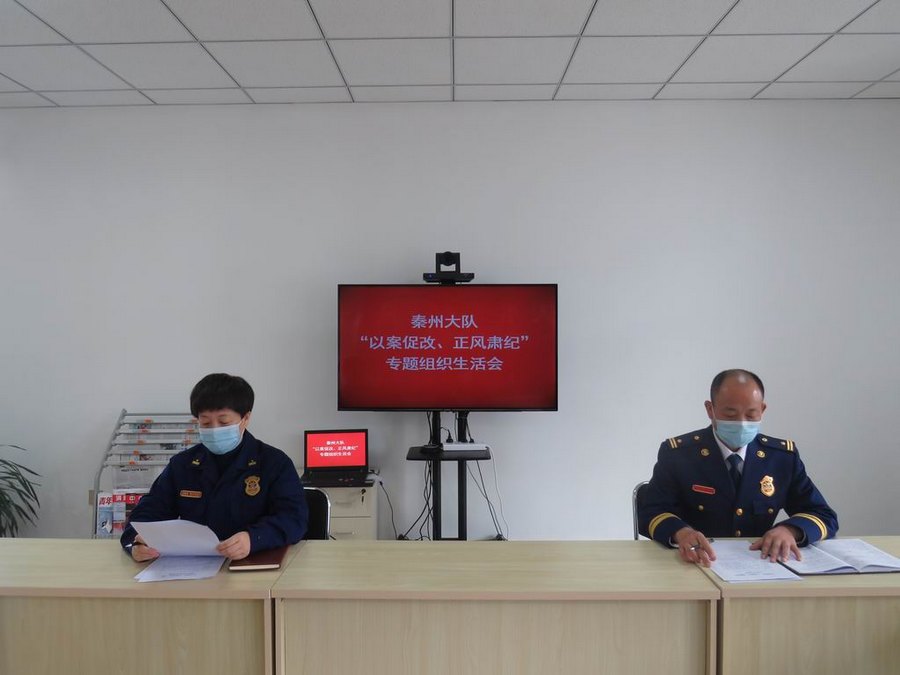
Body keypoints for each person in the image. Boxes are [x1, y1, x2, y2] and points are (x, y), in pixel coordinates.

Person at [638, 369, 837, 567]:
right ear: (710, 409)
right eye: (730, 414)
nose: (741, 423)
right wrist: (681, 533)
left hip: (761, 564)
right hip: (695, 563)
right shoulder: (679, 455)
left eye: (751, 414)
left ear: (762, 410)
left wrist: (790, 530)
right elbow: (651, 512)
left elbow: (823, 515)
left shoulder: (781, 458)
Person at [121, 373, 308, 561]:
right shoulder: (182, 465)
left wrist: (254, 539)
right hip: (195, 565)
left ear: (245, 418)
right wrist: (135, 543)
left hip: (254, 563)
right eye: (206, 422)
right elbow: (148, 512)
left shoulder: (274, 463)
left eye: (224, 422)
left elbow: (294, 518)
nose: (215, 429)